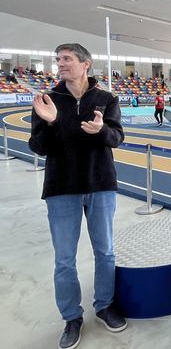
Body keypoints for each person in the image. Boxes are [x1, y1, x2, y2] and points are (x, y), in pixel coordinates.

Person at [28, 43, 126, 349]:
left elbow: (117, 137)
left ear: (86, 64)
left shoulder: (106, 99)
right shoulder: (48, 100)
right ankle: (71, 317)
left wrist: (101, 132)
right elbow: (39, 147)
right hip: (61, 188)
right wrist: (53, 122)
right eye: (58, 60)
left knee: (106, 252)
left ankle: (104, 305)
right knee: (64, 260)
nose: (61, 64)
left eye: (67, 59)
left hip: (100, 184)